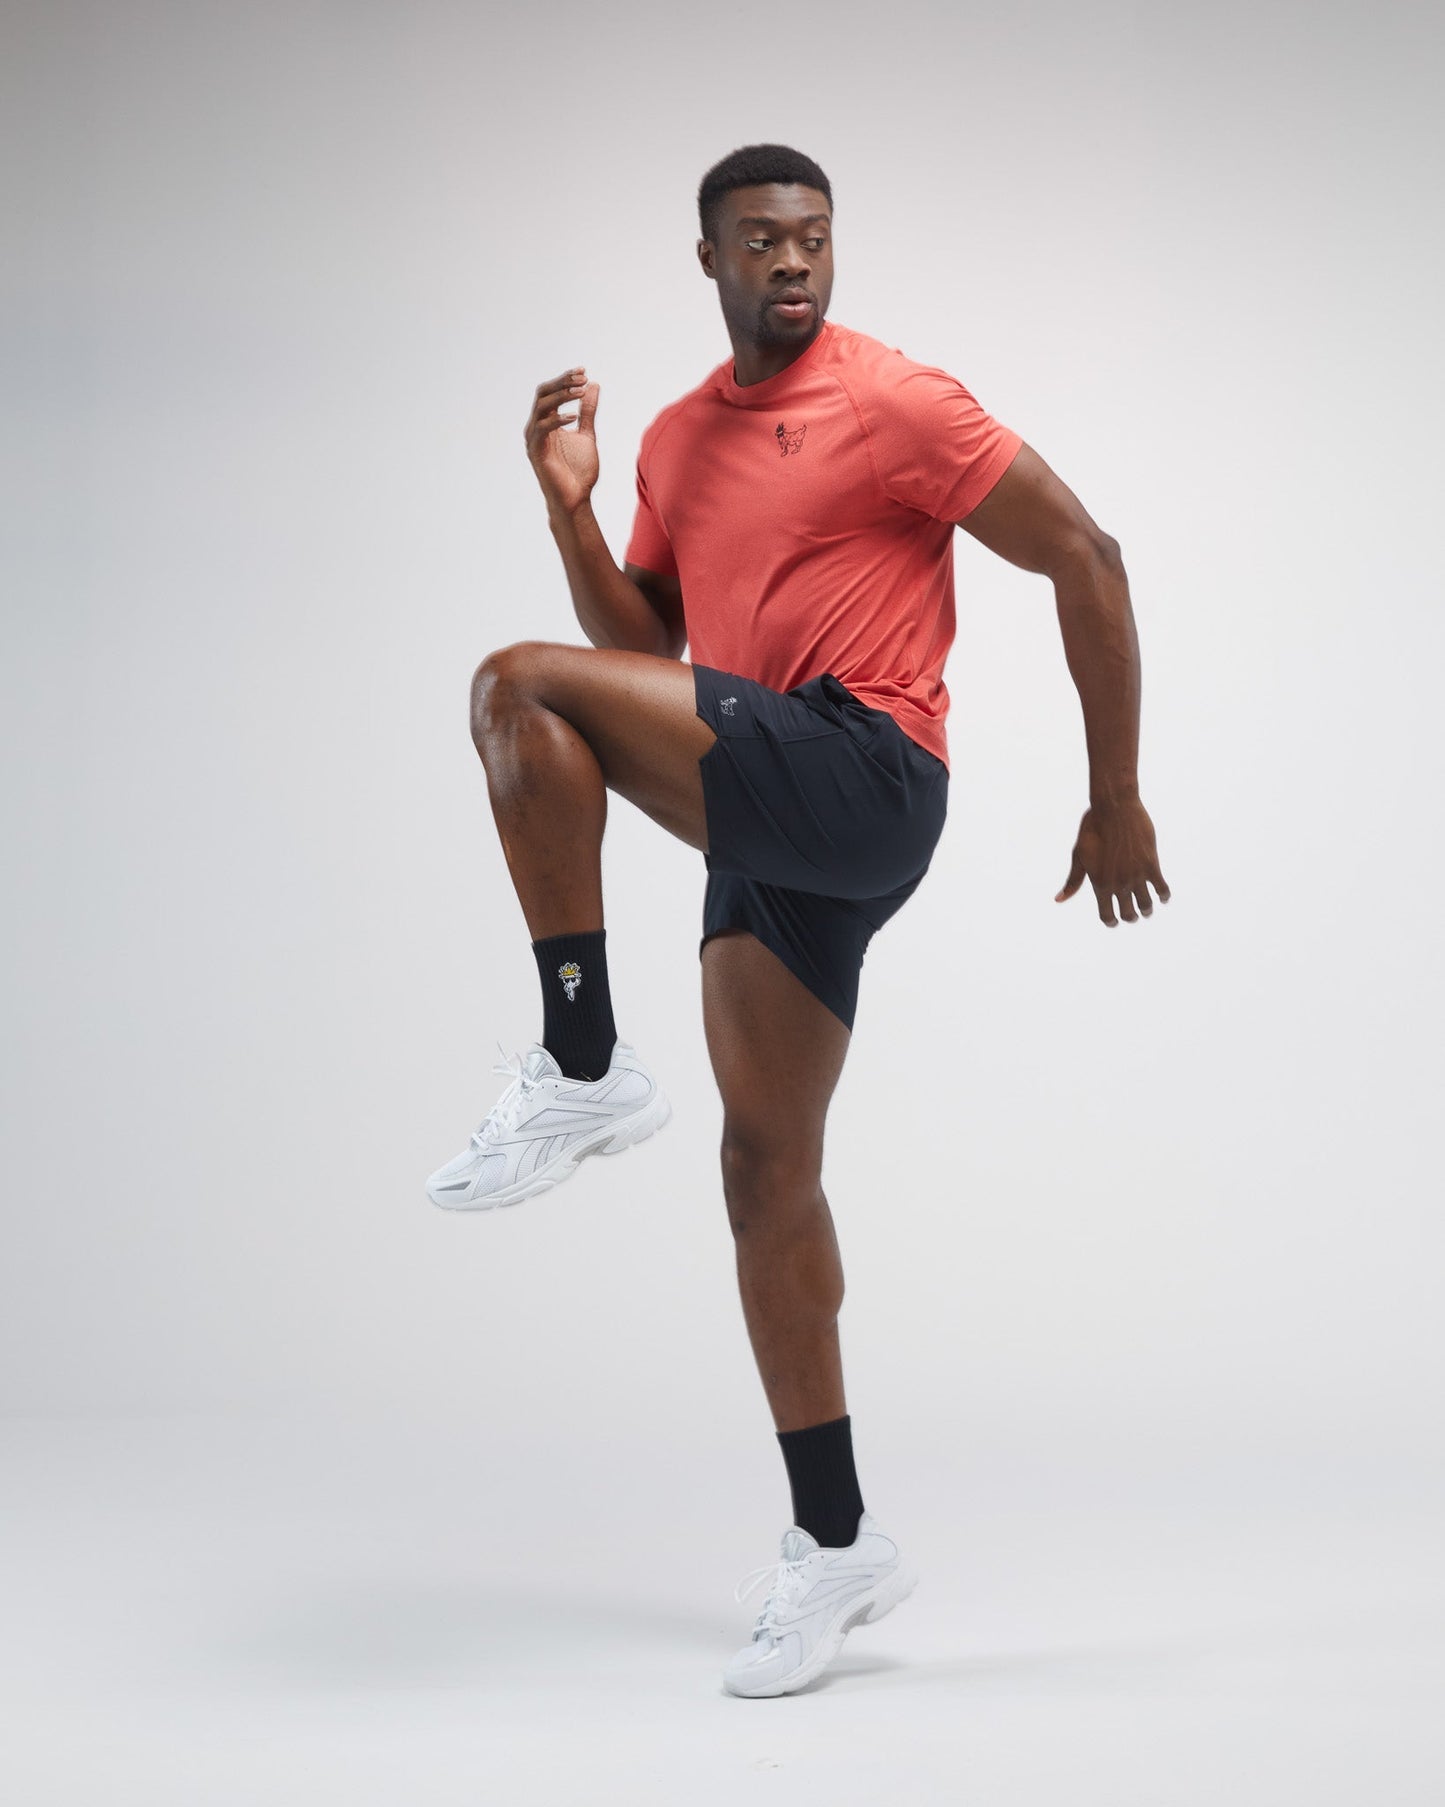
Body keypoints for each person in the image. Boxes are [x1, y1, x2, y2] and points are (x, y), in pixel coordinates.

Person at [426, 142, 1170, 1697]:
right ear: (705, 258)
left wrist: (1113, 795)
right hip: (759, 800)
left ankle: (577, 1060)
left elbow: (1083, 555)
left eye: (814, 239)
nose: (791, 262)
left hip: (862, 767)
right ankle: (835, 1548)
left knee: (510, 689)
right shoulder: (684, 439)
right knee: (765, 1172)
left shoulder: (895, 400)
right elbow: (645, 647)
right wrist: (572, 511)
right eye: (759, 240)